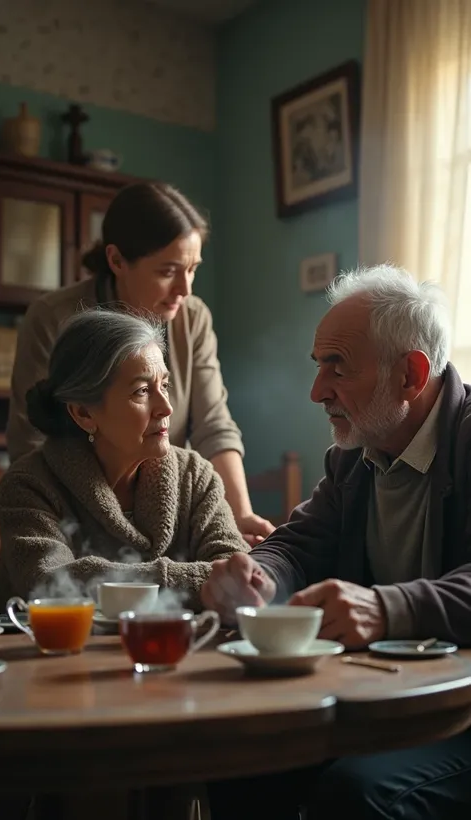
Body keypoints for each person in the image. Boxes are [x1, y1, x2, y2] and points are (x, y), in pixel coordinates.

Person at [201, 265, 471, 820]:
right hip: (387, 702)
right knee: (235, 756)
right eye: (318, 366)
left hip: (460, 714)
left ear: (410, 375)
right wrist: (259, 575)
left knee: (358, 792)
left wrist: (386, 607)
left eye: (337, 368)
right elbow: (298, 544)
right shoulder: (354, 455)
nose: (316, 391)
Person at [7, 181, 274, 546]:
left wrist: (239, 513)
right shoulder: (53, 318)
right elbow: (32, 444)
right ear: (117, 261)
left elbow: (214, 424)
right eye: (168, 271)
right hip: (73, 515)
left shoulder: (191, 317)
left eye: (192, 269)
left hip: (163, 505)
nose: (186, 289)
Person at [0, 309, 249, 611]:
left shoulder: (196, 476)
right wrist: (199, 582)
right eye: (142, 391)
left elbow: (236, 570)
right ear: (84, 413)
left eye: (164, 385)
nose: (166, 408)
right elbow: (50, 584)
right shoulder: (29, 485)